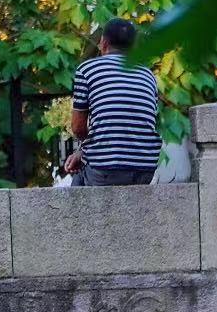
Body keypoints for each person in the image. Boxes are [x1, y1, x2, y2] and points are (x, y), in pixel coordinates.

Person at [61, 17, 162, 186]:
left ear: (104, 42)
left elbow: (78, 128)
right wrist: (83, 152)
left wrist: (84, 152)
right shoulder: (147, 74)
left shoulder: (87, 70)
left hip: (105, 170)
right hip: (145, 169)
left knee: (78, 181)